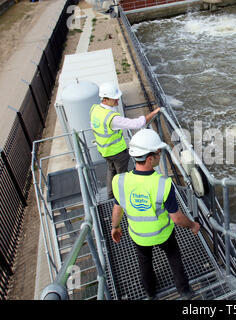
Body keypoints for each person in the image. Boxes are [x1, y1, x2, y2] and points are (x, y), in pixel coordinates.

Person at [110, 129, 201, 300]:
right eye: (158, 152)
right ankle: (184, 291)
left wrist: (115, 227)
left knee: (144, 263)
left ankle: (151, 293)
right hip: (163, 234)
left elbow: (117, 209)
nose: (160, 155)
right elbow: (177, 218)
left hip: (138, 235)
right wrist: (193, 225)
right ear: (150, 158)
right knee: (174, 258)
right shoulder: (164, 184)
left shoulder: (119, 181)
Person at [90, 82, 160, 199]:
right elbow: (137, 123)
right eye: (115, 99)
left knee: (111, 171)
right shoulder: (112, 118)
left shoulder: (95, 109)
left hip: (103, 150)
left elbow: (94, 127)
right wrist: (154, 112)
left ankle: (111, 195)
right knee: (122, 176)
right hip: (117, 153)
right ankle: (123, 199)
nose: (118, 101)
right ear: (105, 99)